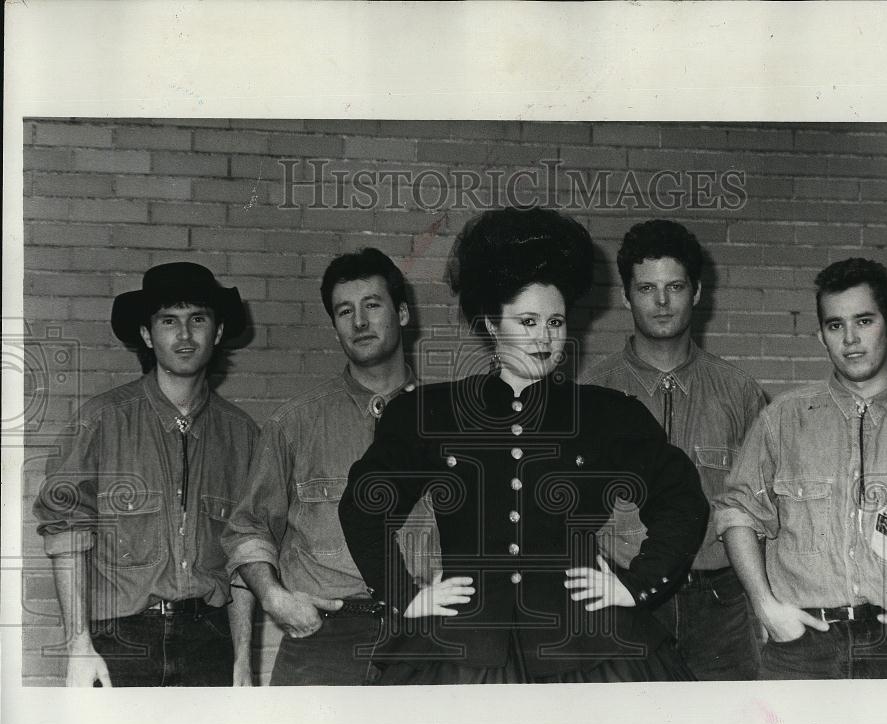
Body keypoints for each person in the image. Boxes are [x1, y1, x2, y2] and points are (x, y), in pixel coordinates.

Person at [339, 207, 709, 684]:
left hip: (589, 646)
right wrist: (406, 594)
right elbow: (363, 506)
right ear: (493, 325)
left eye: (555, 322)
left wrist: (634, 586)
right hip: (462, 649)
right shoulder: (431, 414)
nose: (544, 338)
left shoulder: (605, 415)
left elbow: (680, 496)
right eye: (528, 321)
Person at [717, 258, 887, 679]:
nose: (851, 340)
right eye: (835, 325)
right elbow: (736, 514)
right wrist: (765, 606)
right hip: (801, 646)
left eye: (864, 321)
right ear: (821, 336)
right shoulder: (782, 419)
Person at [34, 262, 258, 687]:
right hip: (120, 639)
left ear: (219, 331)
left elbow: (246, 553)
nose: (185, 335)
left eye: (198, 319)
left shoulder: (243, 435)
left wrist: (242, 660)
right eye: (168, 321)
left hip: (209, 640)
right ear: (146, 335)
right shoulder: (100, 422)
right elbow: (65, 532)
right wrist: (79, 646)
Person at [222, 248, 432, 685]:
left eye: (372, 305)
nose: (359, 322)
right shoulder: (294, 424)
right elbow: (247, 528)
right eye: (344, 311)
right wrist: (275, 598)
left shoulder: (448, 421)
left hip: (429, 634)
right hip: (325, 642)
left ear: (404, 313)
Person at [582, 219, 766, 680]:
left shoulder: (739, 392)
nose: (662, 302)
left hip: (721, 605)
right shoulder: (591, 392)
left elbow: (761, 508)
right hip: (619, 593)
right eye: (646, 288)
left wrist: (765, 600)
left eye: (675, 287)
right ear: (626, 296)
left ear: (697, 292)